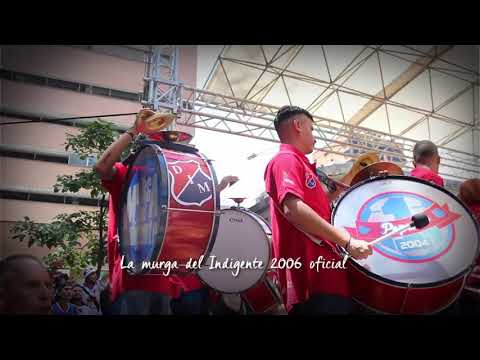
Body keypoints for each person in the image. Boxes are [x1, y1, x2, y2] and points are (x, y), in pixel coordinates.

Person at [264, 105, 372, 315]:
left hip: (324, 275)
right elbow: (293, 210)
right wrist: (347, 242)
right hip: (314, 278)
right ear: (298, 125)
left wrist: (348, 179)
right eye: (312, 129)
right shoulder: (285, 159)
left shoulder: (300, 164)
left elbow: (317, 206)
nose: (314, 137)